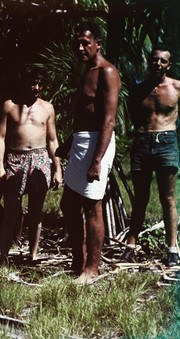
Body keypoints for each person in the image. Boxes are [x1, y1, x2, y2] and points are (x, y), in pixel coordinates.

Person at [59, 22, 121, 284]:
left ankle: (92, 269)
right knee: (68, 203)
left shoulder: (107, 71)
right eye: (78, 42)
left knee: (92, 206)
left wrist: (96, 160)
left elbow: (108, 120)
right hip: (81, 143)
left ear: (98, 44)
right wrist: (70, 141)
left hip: (98, 145)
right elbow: (85, 113)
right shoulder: (87, 71)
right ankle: (78, 260)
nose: (80, 47)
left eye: (86, 42)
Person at [0, 66, 63, 262]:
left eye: (40, 84)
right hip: (15, 159)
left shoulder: (47, 107)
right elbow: (0, 137)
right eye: (32, 83)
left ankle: (32, 255)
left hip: (40, 159)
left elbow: (52, 140)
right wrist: (0, 165)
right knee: (11, 212)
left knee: (36, 212)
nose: (36, 87)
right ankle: (3, 256)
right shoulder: (9, 106)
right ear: (24, 82)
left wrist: (58, 169)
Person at [121, 46, 179, 267]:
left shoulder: (176, 87)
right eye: (154, 60)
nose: (158, 65)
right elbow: (134, 118)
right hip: (143, 142)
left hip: (166, 143)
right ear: (149, 61)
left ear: (168, 65)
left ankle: (172, 248)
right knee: (141, 198)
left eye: (163, 61)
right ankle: (131, 245)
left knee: (168, 198)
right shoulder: (139, 90)